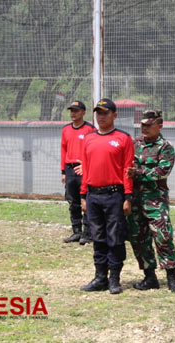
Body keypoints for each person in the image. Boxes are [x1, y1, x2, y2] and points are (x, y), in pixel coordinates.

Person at [79, 98, 134, 294]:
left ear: (114, 115)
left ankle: (115, 279)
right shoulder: (88, 138)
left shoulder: (123, 138)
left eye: (105, 112)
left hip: (114, 196)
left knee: (115, 238)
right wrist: (83, 196)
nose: (101, 116)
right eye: (98, 113)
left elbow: (128, 169)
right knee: (98, 237)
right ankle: (100, 277)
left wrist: (128, 197)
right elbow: (85, 169)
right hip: (93, 196)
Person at [126, 109, 175, 293]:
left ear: (159, 125)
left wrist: (138, 173)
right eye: (142, 125)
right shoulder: (134, 144)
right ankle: (149, 276)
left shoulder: (165, 147)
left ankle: (172, 277)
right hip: (135, 199)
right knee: (139, 238)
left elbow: (161, 172)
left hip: (155, 200)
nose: (145, 128)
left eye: (149, 125)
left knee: (163, 236)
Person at [60, 100, 96, 244]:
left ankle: (88, 233)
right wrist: (63, 171)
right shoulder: (66, 129)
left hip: (84, 170)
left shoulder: (89, 129)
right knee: (73, 201)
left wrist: (86, 167)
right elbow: (63, 150)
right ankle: (76, 231)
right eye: (71, 111)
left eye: (76, 110)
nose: (73, 113)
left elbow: (93, 150)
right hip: (69, 169)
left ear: (83, 112)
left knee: (85, 200)